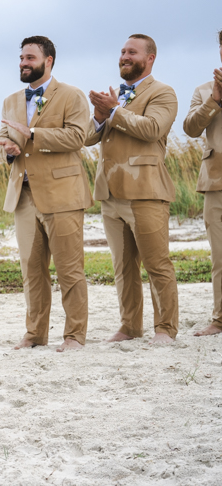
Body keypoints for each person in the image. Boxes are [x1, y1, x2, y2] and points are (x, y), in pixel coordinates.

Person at [0, 36, 92, 352]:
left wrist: (34, 133)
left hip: (63, 195)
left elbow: (77, 137)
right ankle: (35, 334)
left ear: (48, 61)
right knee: (31, 271)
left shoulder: (72, 95)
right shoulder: (11, 101)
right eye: (21, 58)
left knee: (69, 270)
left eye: (30, 58)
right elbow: (0, 139)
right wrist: (8, 150)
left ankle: (74, 335)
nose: (23, 63)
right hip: (23, 197)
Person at [85, 35, 179, 344]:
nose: (125, 56)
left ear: (150, 58)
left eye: (132, 52)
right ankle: (130, 327)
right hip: (110, 194)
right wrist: (100, 116)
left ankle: (165, 328)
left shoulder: (163, 92)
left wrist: (114, 111)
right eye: (123, 51)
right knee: (123, 267)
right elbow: (87, 138)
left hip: (146, 191)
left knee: (157, 264)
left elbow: (152, 129)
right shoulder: (116, 97)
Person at [183, 29, 222, 337]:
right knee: (219, 256)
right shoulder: (204, 90)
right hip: (215, 182)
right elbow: (191, 128)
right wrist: (214, 100)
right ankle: (220, 319)